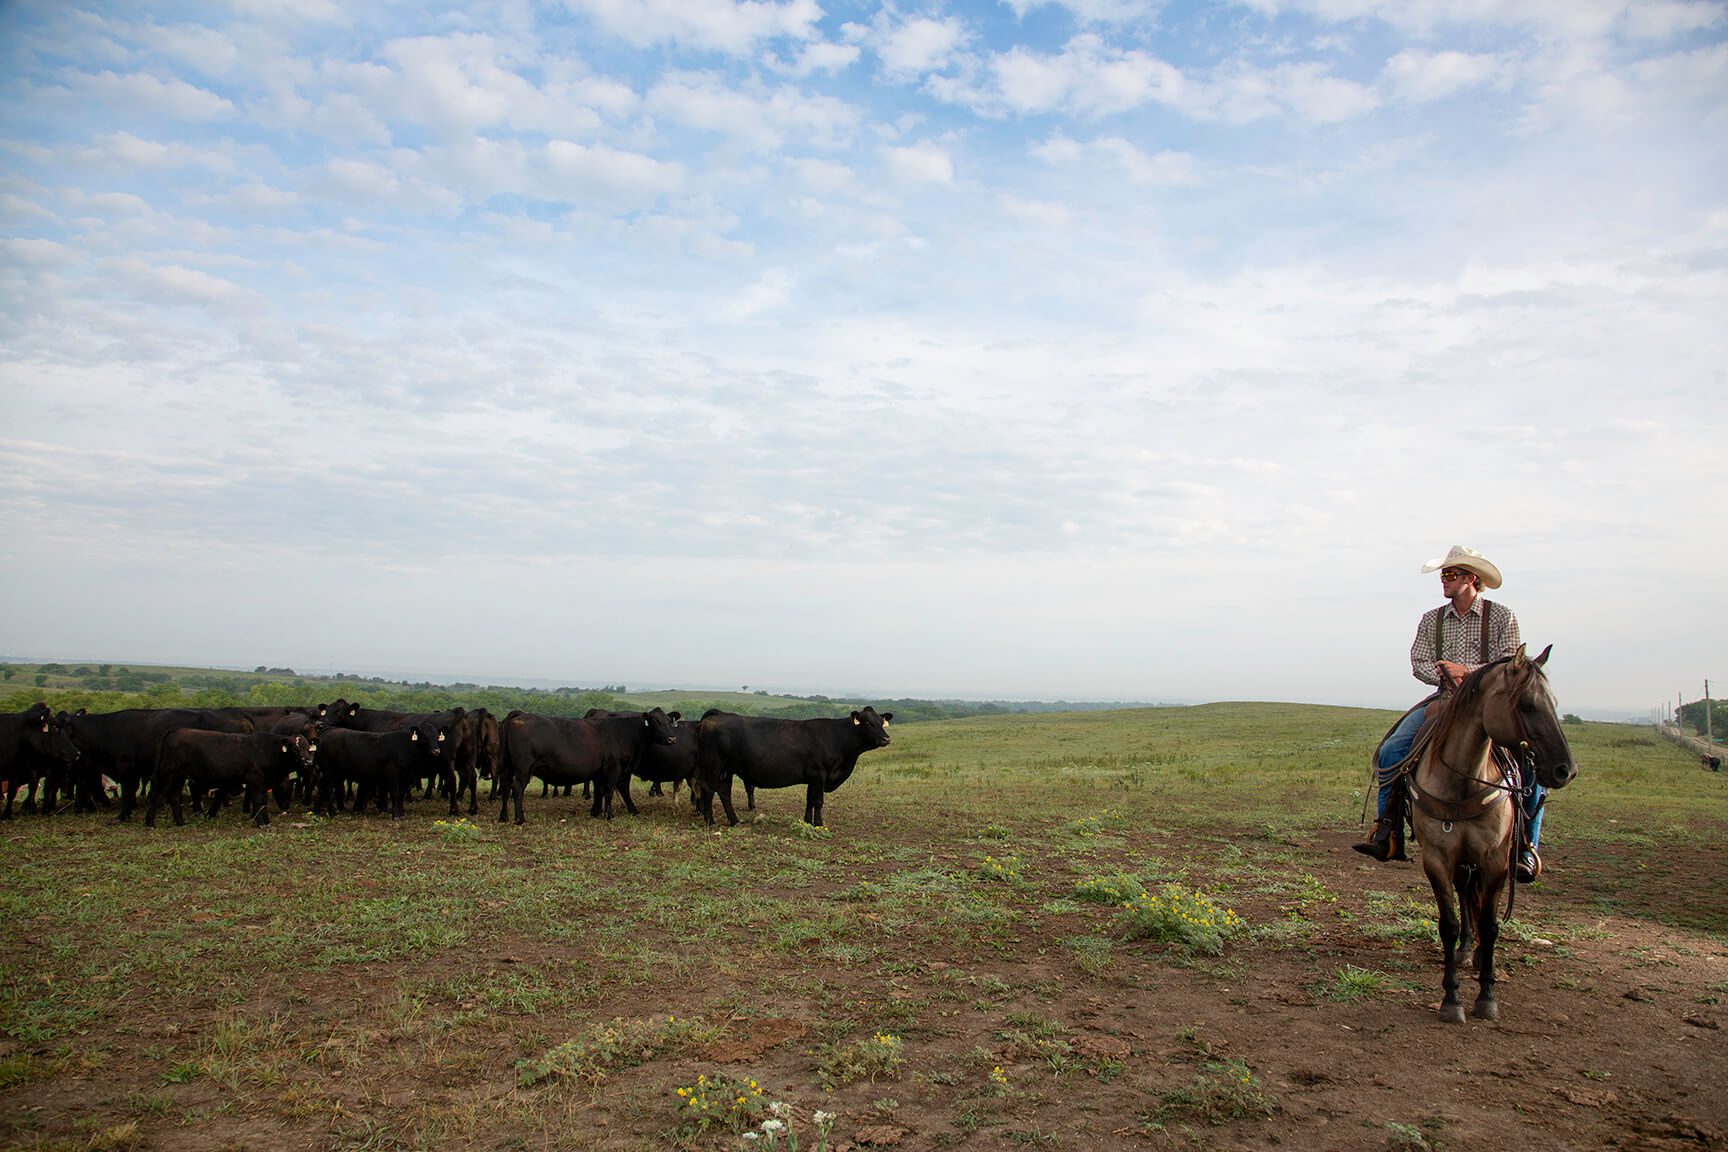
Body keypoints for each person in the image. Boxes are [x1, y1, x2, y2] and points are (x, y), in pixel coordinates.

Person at [1352, 545, 1546, 882]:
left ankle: (1526, 846)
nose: (1444, 580)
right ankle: (1388, 832)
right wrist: (1442, 674)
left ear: (1471, 578)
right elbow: (1419, 661)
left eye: (1450, 574)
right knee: (1391, 753)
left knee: (1530, 762)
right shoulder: (1432, 620)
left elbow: (1509, 665)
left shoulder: (1502, 617)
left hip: (1492, 705)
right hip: (1445, 700)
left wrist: (1466, 671)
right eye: (1444, 574)